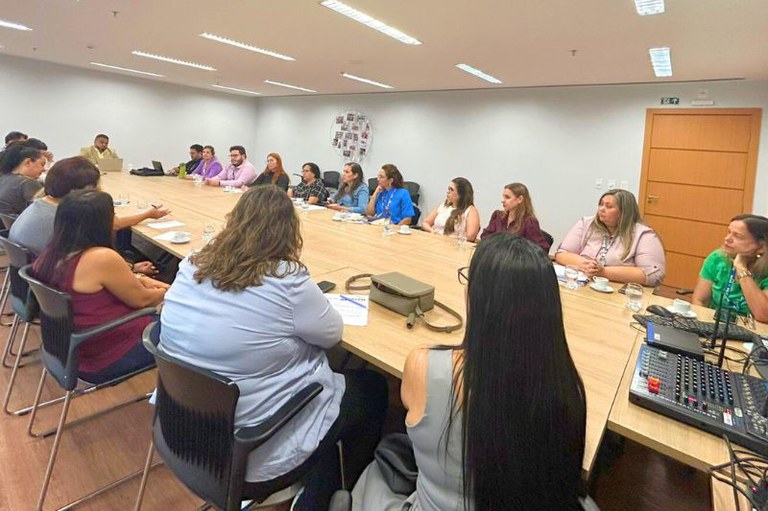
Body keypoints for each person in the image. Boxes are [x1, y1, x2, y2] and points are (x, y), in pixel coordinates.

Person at [159, 185, 387, 509]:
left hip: (178, 428)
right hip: (244, 451)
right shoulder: (286, 279)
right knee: (373, 388)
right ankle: (320, 498)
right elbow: (331, 335)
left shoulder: (191, 264)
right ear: (288, 232)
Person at [352, 235, 587, 510]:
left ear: (476, 297)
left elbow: (411, 402)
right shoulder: (567, 386)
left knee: (374, 472)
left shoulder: (423, 364)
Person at [31, 190, 168, 384]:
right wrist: (170, 290)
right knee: (187, 328)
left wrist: (139, 279)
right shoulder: (101, 258)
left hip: (69, 349)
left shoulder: (50, 252)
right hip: (107, 354)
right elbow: (143, 301)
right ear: (102, 222)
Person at [555, 189, 665, 286]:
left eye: (609, 206)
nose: (601, 209)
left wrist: (602, 272)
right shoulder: (586, 223)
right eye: (601, 204)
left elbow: (653, 274)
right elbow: (562, 254)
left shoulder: (644, 235)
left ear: (624, 212)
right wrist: (585, 265)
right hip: (584, 285)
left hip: (619, 291)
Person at [692, 214, 768, 322]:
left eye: (738, 236)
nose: (727, 239)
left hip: (753, 329)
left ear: (760, 246)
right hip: (713, 324)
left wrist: (741, 267)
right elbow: (699, 300)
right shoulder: (717, 258)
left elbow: (763, 315)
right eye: (729, 232)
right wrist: (703, 325)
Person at [480, 182, 550, 252]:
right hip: (495, 255)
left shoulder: (529, 222)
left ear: (520, 199)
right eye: (503, 197)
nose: (503, 201)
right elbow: (485, 236)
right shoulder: (497, 216)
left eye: (507, 197)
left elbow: (542, 248)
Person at [421, 177, 481, 242]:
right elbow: (425, 222)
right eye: (448, 189)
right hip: (435, 240)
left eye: (451, 190)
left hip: (454, 244)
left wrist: (450, 237)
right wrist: (431, 230)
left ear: (461, 194)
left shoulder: (470, 210)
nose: (448, 192)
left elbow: (471, 237)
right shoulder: (443, 206)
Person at [0, 143, 45, 217]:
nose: (44, 169)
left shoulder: (3, 178)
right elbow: (45, 211)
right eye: (42, 164)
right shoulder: (28, 183)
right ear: (28, 162)